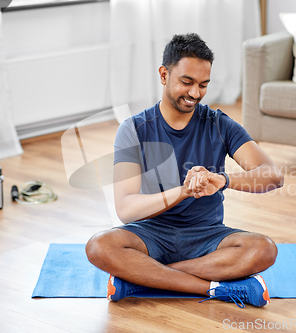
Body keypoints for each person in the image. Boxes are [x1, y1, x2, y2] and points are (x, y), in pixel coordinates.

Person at [86, 33, 283, 308]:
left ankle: (142, 278)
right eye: (187, 82)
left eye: (203, 85)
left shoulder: (219, 125)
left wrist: (223, 180)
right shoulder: (133, 129)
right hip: (149, 235)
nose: (195, 94)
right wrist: (183, 191)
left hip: (206, 236)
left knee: (263, 249)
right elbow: (126, 208)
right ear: (164, 74)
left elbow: (272, 175)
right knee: (99, 246)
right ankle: (213, 289)